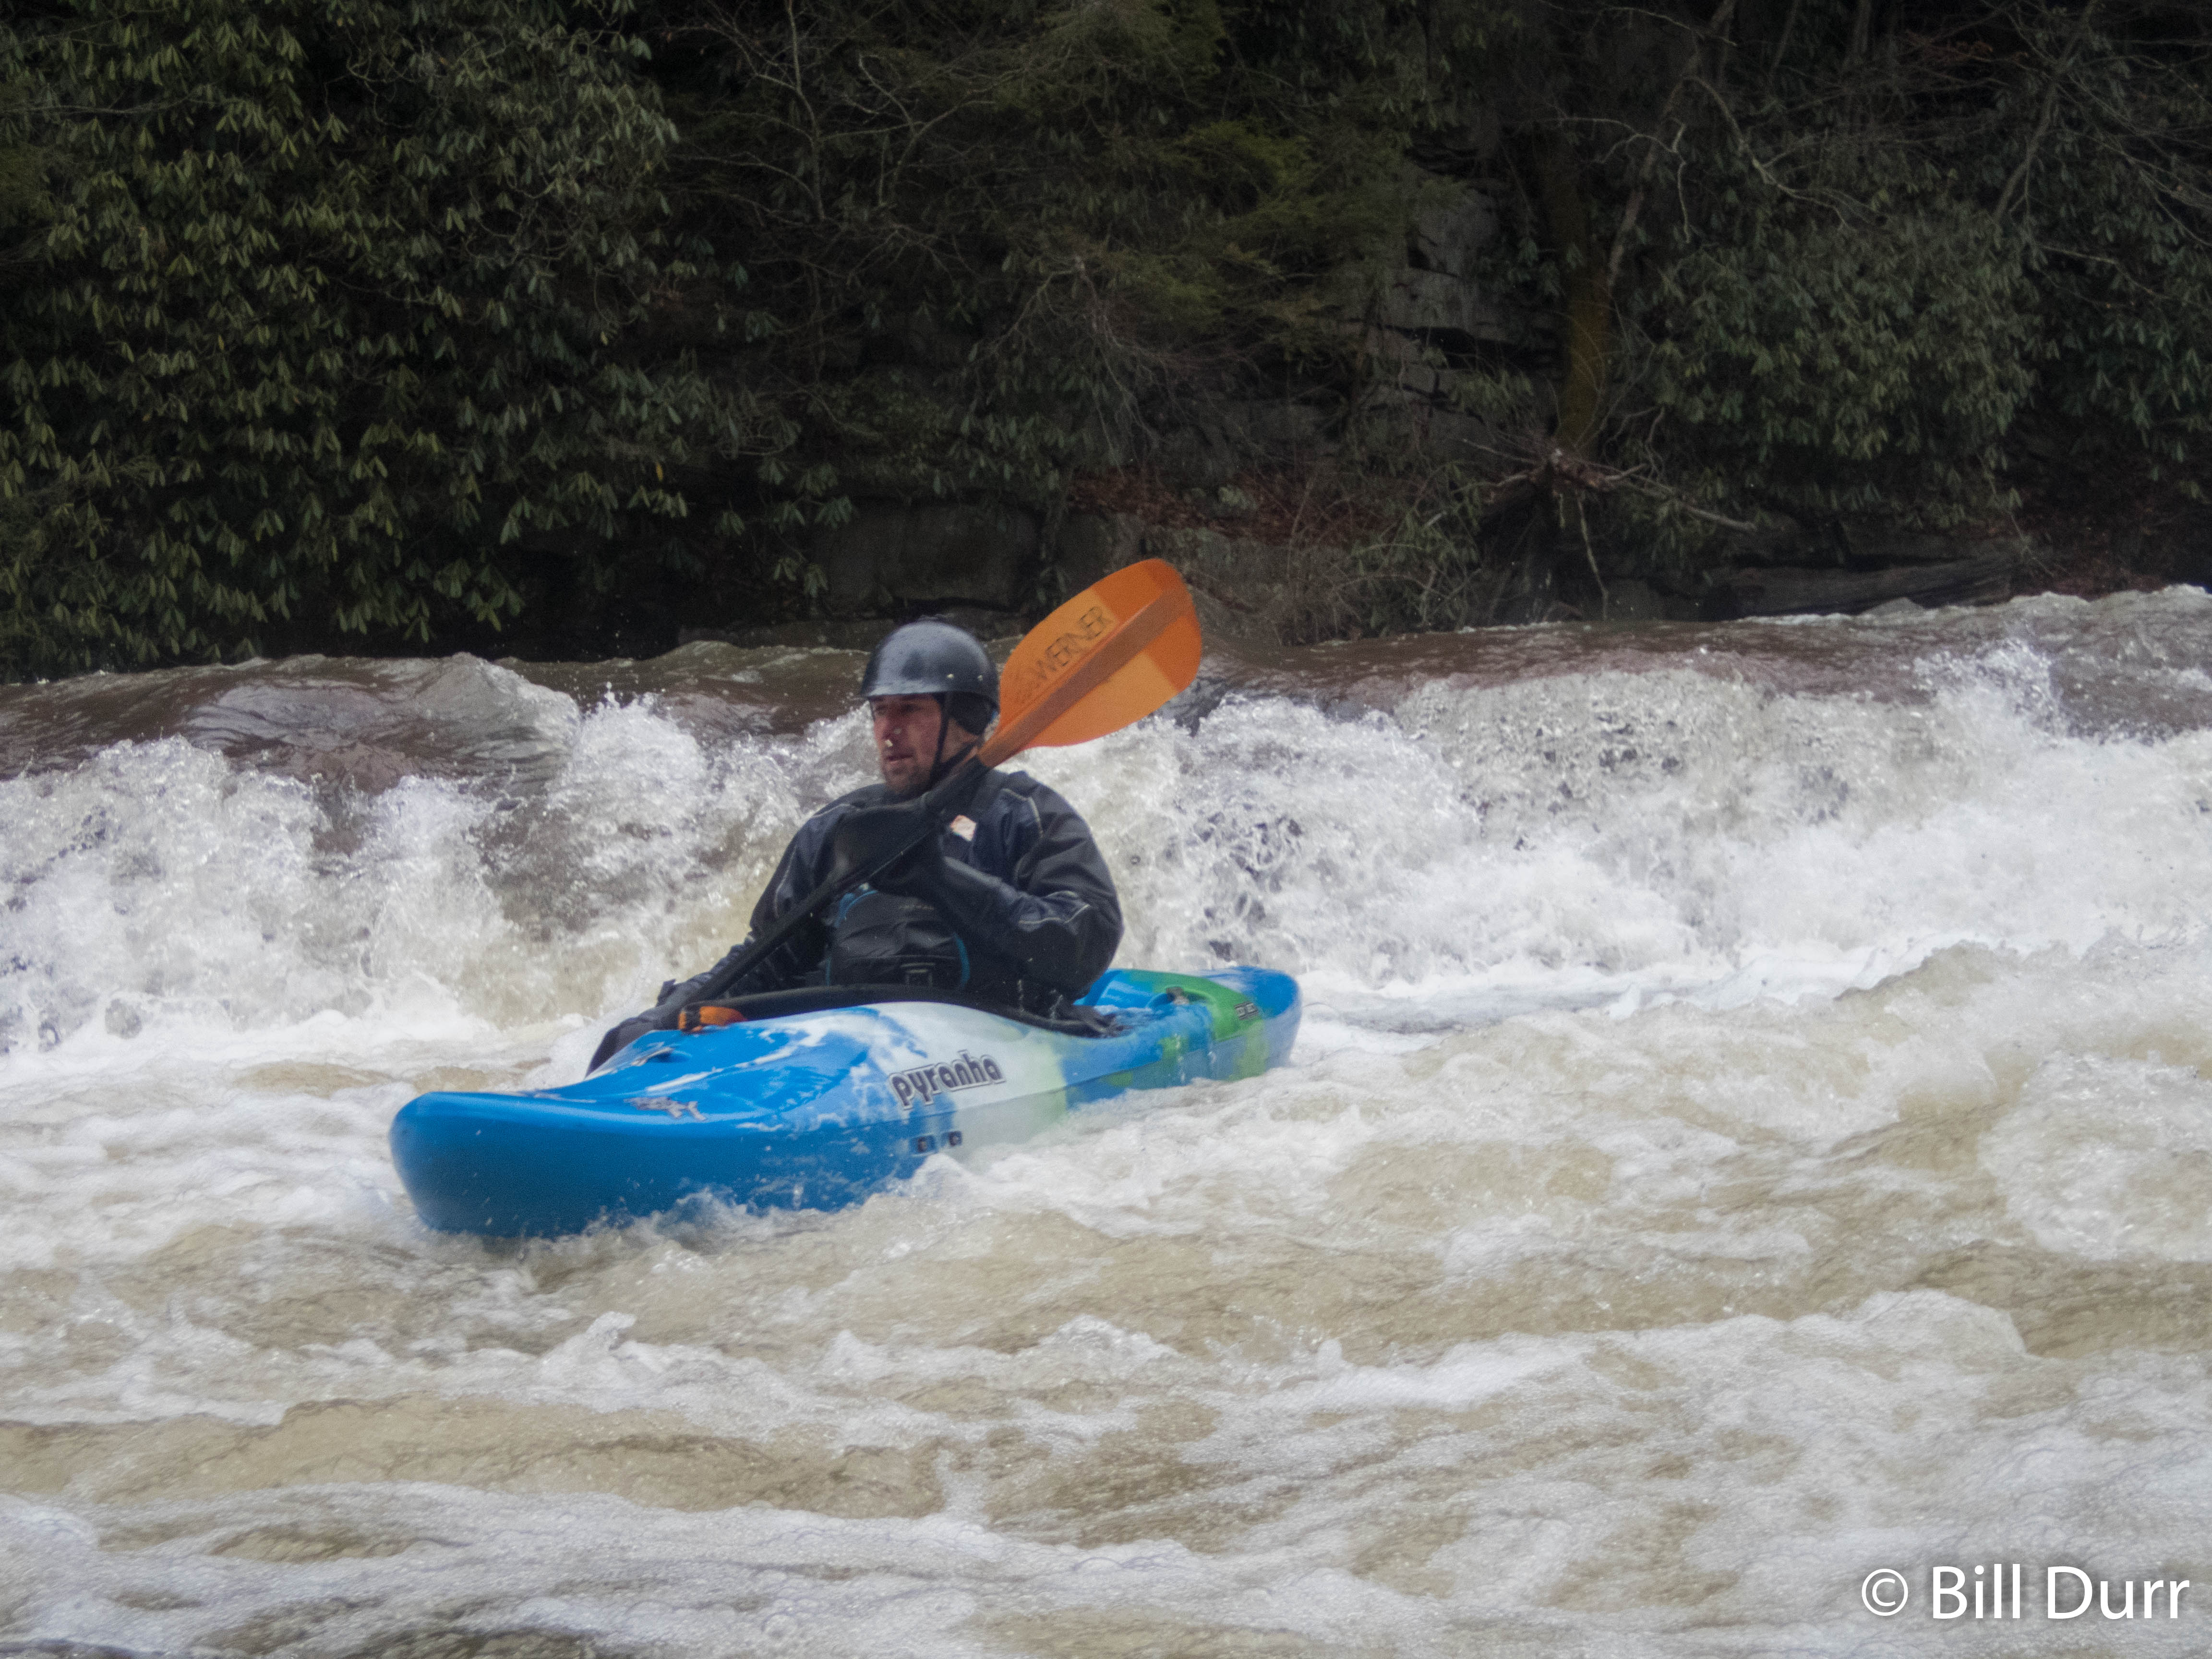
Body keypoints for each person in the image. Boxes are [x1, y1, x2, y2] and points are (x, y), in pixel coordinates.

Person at [589, 618, 1123, 1070]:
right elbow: (768, 957)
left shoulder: (1026, 815)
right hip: (850, 1055)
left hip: (997, 1047)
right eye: (880, 710)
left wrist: (943, 879)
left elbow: (1087, 947)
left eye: (909, 709)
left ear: (967, 720)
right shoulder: (840, 829)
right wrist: (668, 1015)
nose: (888, 730)